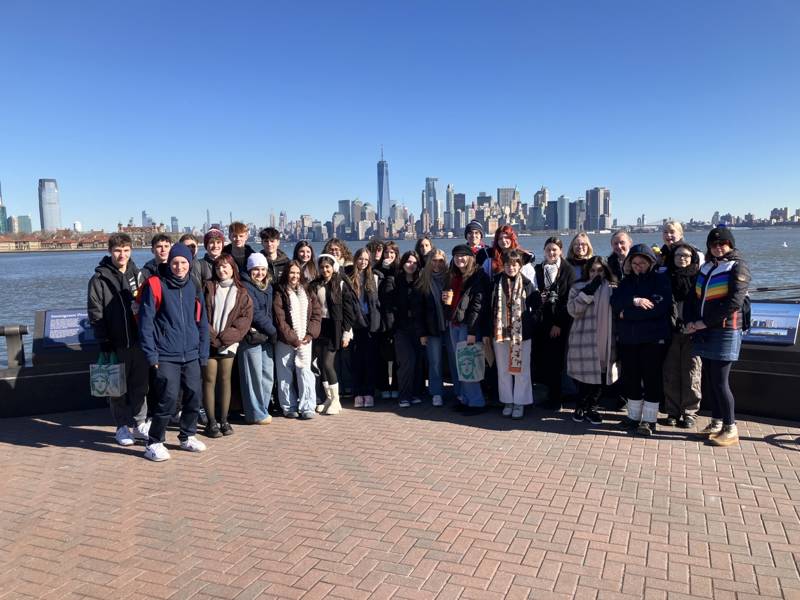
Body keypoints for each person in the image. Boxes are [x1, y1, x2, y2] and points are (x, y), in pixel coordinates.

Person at [138, 244, 209, 461]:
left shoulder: (194, 285)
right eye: (175, 262)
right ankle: (154, 442)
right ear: (169, 263)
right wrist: (152, 356)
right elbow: (146, 323)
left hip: (191, 353)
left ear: (190, 264)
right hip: (165, 353)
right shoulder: (155, 284)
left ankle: (187, 435)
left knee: (194, 396)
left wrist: (203, 352)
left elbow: (202, 321)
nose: (179, 267)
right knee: (167, 400)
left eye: (184, 263)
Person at [686, 227, 751, 447]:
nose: (718, 247)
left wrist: (703, 322)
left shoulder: (737, 266)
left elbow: (734, 302)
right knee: (711, 380)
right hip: (705, 329)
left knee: (721, 382)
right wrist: (692, 322)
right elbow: (695, 298)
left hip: (726, 329)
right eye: (714, 244)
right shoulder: (706, 267)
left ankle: (731, 428)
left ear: (730, 244)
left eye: (722, 243)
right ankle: (716, 422)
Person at [87, 233, 150, 447]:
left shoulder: (138, 275)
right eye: (117, 250)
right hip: (115, 342)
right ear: (109, 251)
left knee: (140, 384)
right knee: (117, 387)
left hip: (139, 341)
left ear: (131, 250)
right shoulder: (99, 279)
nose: (121, 254)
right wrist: (103, 339)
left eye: (125, 250)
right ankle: (121, 426)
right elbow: (95, 312)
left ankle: (140, 423)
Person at [610, 244, 672, 436]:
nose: (638, 266)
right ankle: (633, 416)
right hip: (629, 339)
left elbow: (657, 308)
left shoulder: (660, 279)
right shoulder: (626, 281)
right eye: (634, 263)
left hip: (653, 339)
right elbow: (614, 303)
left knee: (652, 377)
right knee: (632, 377)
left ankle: (649, 420)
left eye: (642, 262)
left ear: (650, 262)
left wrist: (626, 314)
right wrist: (635, 302)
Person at [202, 254, 254, 437]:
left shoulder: (242, 291)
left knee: (225, 380)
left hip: (228, 343)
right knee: (209, 380)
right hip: (208, 342)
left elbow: (244, 320)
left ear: (233, 268)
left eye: (225, 267)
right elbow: (200, 314)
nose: (221, 270)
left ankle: (224, 420)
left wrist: (225, 338)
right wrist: (212, 336)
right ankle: (211, 422)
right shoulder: (207, 287)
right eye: (218, 268)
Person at [567, 257, 619, 425]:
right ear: (587, 271)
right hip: (584, 337)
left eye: (600, 270)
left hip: (606, 337)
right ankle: (580, 405)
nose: (596, 274)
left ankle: (592, 407)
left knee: (602, 375)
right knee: (584, 375)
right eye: (592, 270)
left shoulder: (613, 287)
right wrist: (588, 291)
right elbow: (573, 310)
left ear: (605, 271)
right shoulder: (578, 287)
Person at [491, 250, 539, 419]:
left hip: (522, 334)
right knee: (503, 369)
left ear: (519, 265)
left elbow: (537, 305)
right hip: (501, 332)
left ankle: (520, 402)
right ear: (503, 265)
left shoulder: (527, 283)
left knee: (522, 369)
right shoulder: (496, 281)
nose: (510, 267)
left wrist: (530, 323)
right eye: (507, 264)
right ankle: (507, 401)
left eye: (514, 264)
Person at [273, 260, 322, 419]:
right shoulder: (280, 292)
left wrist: (309, 335)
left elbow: (316, 314)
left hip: (305, 340)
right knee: (285, 373)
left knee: (305, 372)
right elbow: (280, 319)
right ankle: (289, 406)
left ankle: (308, 406)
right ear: (286, 274)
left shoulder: (307, 291)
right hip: (285, 340)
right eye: (291, 272)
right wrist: (293, 338)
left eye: (297, 273)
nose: (294, 276)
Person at [445, 244, 490, 415]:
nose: (459, 259)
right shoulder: (454, 275)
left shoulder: (478, 276)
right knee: (460, 364)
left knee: (469, 364)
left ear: (471, 257)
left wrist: (472, 331)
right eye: (456, 256)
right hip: (454, 323)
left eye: (463, 255)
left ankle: (477, 403)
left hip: (468, 325)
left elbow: (478, 306)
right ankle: (466, 399)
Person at [309, 253, 355, 415]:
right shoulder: (314, 285)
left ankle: (336, 400)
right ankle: (328, 398)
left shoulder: (340, 284)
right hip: (319, 327)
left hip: (334, 328)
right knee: (321, 364)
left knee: (328, 364)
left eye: (327, 267)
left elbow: (349, 312)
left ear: (333, 267)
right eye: (322, 267)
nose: (324, 270)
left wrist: (347, 333)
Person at [532, 237, 576, 409]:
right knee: (543, 361)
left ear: (560, 251)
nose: (551, 253)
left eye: (554, 250)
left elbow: (569, 299)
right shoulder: (538, 269)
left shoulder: (567, 270)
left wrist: (559, 323)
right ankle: (548, 396)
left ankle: (557, 400)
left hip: (559, 323)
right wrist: (538, 298)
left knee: (556, 362)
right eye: (548, 249)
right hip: (542, 322)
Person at [662, 242, 702, 428]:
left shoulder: (699, 278)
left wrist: (695, 324)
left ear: (693, 258)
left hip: (693, 330)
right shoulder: (666, 276)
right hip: (671, 330)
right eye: (678, 255)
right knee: (671, 372)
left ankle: (689, 412)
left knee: (692, 371)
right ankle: (672, 411)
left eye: (686, 255)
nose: (682, 258)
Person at [238, 253, 277, 425]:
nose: (259, 273)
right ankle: (255, 413)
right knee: (252, 377)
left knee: (267, 375)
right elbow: (256, 314)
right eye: (256, 269)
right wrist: (274, 331)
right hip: (252, 337)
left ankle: (263, 408)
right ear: (249, 270)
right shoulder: (245, 286)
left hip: (267, 336)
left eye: (262, 269)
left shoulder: (267, 286)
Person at [412, 248, 449, 407]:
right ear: (428, 262)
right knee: (435, 362)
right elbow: (418, 311)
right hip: (432, 328)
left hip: (450, 326)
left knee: (455, 360)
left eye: (440, 260)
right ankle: (436, 392)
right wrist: (422, 333)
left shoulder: (450, 279)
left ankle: (460, 391)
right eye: (434, 260)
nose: (437, 264)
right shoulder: (422, 282)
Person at [347, 248, 383, 408]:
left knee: (370, 360)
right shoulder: (348, 277)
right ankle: (357, 392)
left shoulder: (373, 277)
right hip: (355, 323)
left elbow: (376, 303)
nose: (363, 262)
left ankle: (369, 392)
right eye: (360, 259)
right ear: (355, 259)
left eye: (366, 260)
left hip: (370, 323)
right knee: (356, 360)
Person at [391, 251, 426, 408]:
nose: (411, 265)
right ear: (402, 263)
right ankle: (404, 395)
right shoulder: (396, 281)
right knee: (407, 361)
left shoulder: (421, 282)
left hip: (419, 329)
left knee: (418, 361)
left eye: (414, 262)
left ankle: (416, 393)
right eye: (408, 262)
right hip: (401, 328)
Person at [376, 241, 400, 399]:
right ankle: (384, 385)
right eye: (386, 252)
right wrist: (382, 270)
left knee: (398, 354)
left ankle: (397, 385)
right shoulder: (376, 270)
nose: (389, 255)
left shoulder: (400, 270)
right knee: (382, 355)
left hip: (397, 318)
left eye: (392, 253)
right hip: (381, 317)